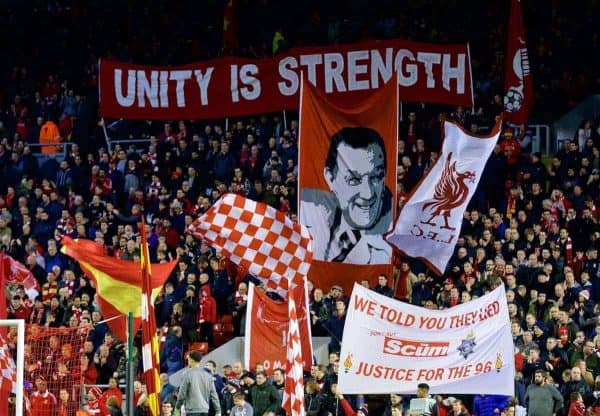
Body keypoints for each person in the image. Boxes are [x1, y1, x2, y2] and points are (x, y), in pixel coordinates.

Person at [300, 127, 393, 264]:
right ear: (330, 178)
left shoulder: (389, 246)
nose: (368, 194)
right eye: (354, 180)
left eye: (376, 177)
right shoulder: (309, 215)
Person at [175, 350, 221, 416]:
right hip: (205, 410)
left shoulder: (187, 374)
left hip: (192, 410)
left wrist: (177, 408)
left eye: (188, 359)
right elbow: (214, 394)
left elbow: (182, 393)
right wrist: (218, 411)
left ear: (191, 360)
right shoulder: (208, 375)